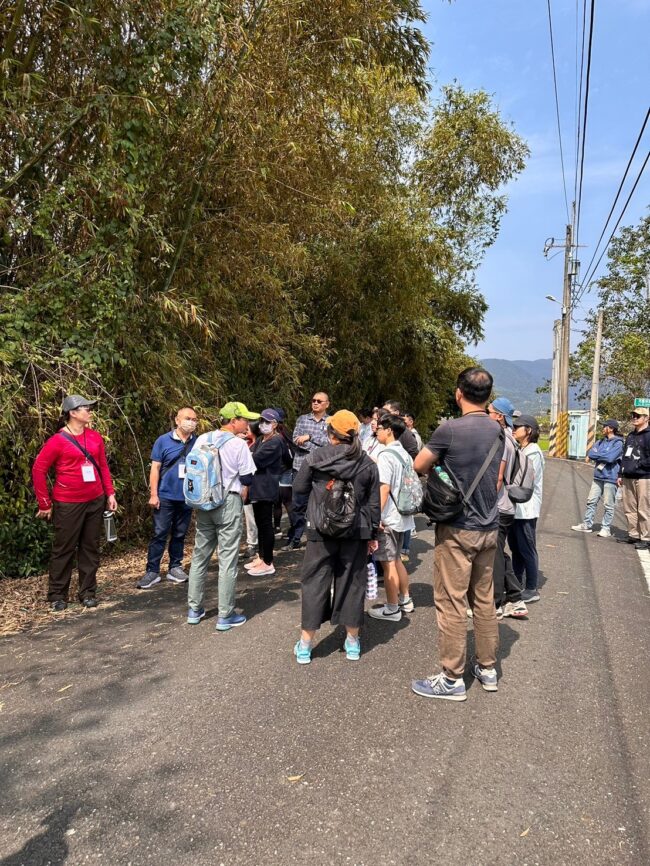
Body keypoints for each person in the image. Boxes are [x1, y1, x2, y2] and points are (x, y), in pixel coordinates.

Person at [411, 367, 504, 701]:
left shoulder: (449, 429)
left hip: (457, 529)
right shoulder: (498, 430)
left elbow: (419, 465)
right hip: (489, 528)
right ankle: (488, 668)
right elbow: (497, 476)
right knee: (484, 599)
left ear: (458, 393)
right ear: (488, 397)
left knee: (451, 602)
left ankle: (452, 678)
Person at [292, 410, 380, 664]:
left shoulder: (315, 457)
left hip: (320, 530)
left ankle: (305, 645)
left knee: (314, 582)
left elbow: (299, 489)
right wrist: (372, 534)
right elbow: (374, 503)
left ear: (331, 433)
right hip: (356, 531)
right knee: (352, 582)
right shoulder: (367, 462)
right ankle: (352, 642)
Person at [32, 395, 118, 611]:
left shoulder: (95, 437)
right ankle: (57, 595)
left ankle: (87, 592)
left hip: (95, 499)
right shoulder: (57, 440)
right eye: (85, 408)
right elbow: (39, 469)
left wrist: (110, 493)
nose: (90, 412)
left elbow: (103, 466)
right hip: (68, 502)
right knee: (64, 549)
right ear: (72, 413)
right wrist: (44, 503)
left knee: (90, 547)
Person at [186, 401, 259, 630]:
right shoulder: (238, 444)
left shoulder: (202, 438)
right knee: (227, 559)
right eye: (245, 420)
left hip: (204, 503)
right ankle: (225, 615)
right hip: (228, 502)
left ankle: (194, 610)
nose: (248, 424)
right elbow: (247, 478)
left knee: (200, 557)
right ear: (234, 421)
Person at [137, 407, 198, 589]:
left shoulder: (198, 442)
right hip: (165, 496)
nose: (191, 422)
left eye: (194, 419)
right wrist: (153, 494)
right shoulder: (163, 441)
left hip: (187, 496)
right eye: (187, 418)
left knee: (180, 533)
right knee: (159, 533)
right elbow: (155, 468)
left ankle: (175, 567)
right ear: (177, 420)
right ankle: (152, 571)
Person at [367, 413, 416, 622]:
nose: (376, 431)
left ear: (389, 430)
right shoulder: (404, 454)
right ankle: (405, 599)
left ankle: (392, 608)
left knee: (388, 564)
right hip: (402, 516)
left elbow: (384, 489)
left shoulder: (386, 455)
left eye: (379, 428)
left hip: (388, 517)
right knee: (396, 559)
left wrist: (375, 516)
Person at [487, 397, 528, 619]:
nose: (487, 415)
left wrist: (485, 503)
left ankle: (495, 603)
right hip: (507, 506)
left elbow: (498, 477)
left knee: (494, 555)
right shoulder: (511, 439)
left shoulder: (501, 439)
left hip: (499, 506)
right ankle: (515, 597)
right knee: (498, 552)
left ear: (499, 416)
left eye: (490, 412)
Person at [245, 409, 290, 576]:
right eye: (261, 421)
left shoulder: (276, 441)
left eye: (267, 422)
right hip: (257, 486)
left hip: (266, 487)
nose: (263, 424)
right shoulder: (261, 439)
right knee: (260, 523)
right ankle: (262, 556)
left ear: (275, 424)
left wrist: (247, 454)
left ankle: (268, 562)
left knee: (265, 525)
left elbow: (254, 459)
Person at [284, 391, 331, 550]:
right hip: (300, 467)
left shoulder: (330, 422)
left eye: (319, 401)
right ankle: (296, 537)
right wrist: (317, 448)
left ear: (327, 404)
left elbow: (329, 443)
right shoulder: (302, 419)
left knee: (320, 504)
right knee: (298, 504)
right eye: (313, 400)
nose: (315, 403)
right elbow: (296, 441)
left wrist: (309, 437)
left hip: (321, 468)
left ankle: (317, 537)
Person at [509, 415, 545, 604]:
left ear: (529, 430)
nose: (513, 429)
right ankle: (516, 583)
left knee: (527, 549)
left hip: (527, 509)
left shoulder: (533, 452)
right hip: (516, 508)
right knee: (516, 548)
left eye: (517, 426)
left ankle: (532, 588)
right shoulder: (522, 449)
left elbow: (524, 479)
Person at [571, 419, 624, 539]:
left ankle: (606, 528)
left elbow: (610, 458)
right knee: (591, 501)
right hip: (598, 476)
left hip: (611, 477)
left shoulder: (618, 443)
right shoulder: (600, 441)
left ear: (611, 428)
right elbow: (591, 454)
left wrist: (598, 455)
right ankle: (587, 524)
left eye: (605, 426)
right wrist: (602, 455)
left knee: (608, 504)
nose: (603, 428)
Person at [618, 406, 650, 550]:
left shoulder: (648, 435)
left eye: (638, 416)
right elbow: (625, 456)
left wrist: (638, 466)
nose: (634, 418)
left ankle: (646, 538)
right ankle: (633, 534)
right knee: (629, 507)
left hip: (644, 477)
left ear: (646, 418)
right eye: (633, 415)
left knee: (643, 508)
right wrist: (620, 473)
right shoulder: (630, 435)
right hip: (628, 476)